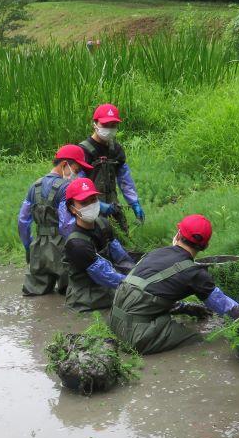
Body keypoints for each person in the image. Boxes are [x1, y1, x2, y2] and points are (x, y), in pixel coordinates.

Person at [110, 214, 239, 355]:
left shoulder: (155, 253)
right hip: (135, 338)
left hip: (114, 324)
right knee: (199, 341)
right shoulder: (195, 273)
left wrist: (185, 308)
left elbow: (150, 292)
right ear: (205, 246)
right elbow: (226, 307)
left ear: (178, 234)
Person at [18, 144, 92, 296]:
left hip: (38, 248)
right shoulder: (66, 188)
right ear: (65, 164)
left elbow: (23, 221)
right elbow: (66, 225)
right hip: (61, 249)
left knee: (34, 293)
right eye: (76, 171)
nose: (77, 176)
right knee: (70, 292)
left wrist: (28, 246)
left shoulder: (34, 186)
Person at [62, 178, 136, 313]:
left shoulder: (103, 224)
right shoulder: (77, 244)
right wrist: (137, 284)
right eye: (84, 203)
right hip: (86, 300)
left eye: (93, 200)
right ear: (72, 209)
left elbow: (122, 258)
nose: (90, 205)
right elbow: (105, 276)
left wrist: (138, 273)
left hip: (108, 287)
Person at [78, 103, 144, 233]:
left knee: (121, 237)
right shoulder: (83, 151)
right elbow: (77, 186)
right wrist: (96, 206)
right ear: (95, 124)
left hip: (113, 205)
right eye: (105, 125)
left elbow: (125, 180)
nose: (109, 129)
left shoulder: (116, 150)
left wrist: (134, 203)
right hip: (88, 207)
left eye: (113, 125)